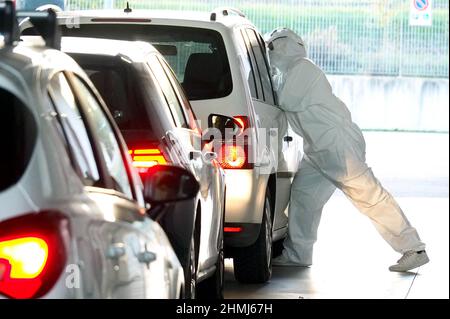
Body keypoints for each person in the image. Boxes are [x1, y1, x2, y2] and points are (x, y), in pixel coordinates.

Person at [266, 28, 429, 272]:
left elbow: (284, 100)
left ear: (281, 47)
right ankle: (298, 254)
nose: (270, 52)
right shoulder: (289, 72)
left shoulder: (303, 69)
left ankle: (414, 248)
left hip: (337, 146)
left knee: (370, 198)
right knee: (303, 198)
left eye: (271, 47)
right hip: (318, 150)